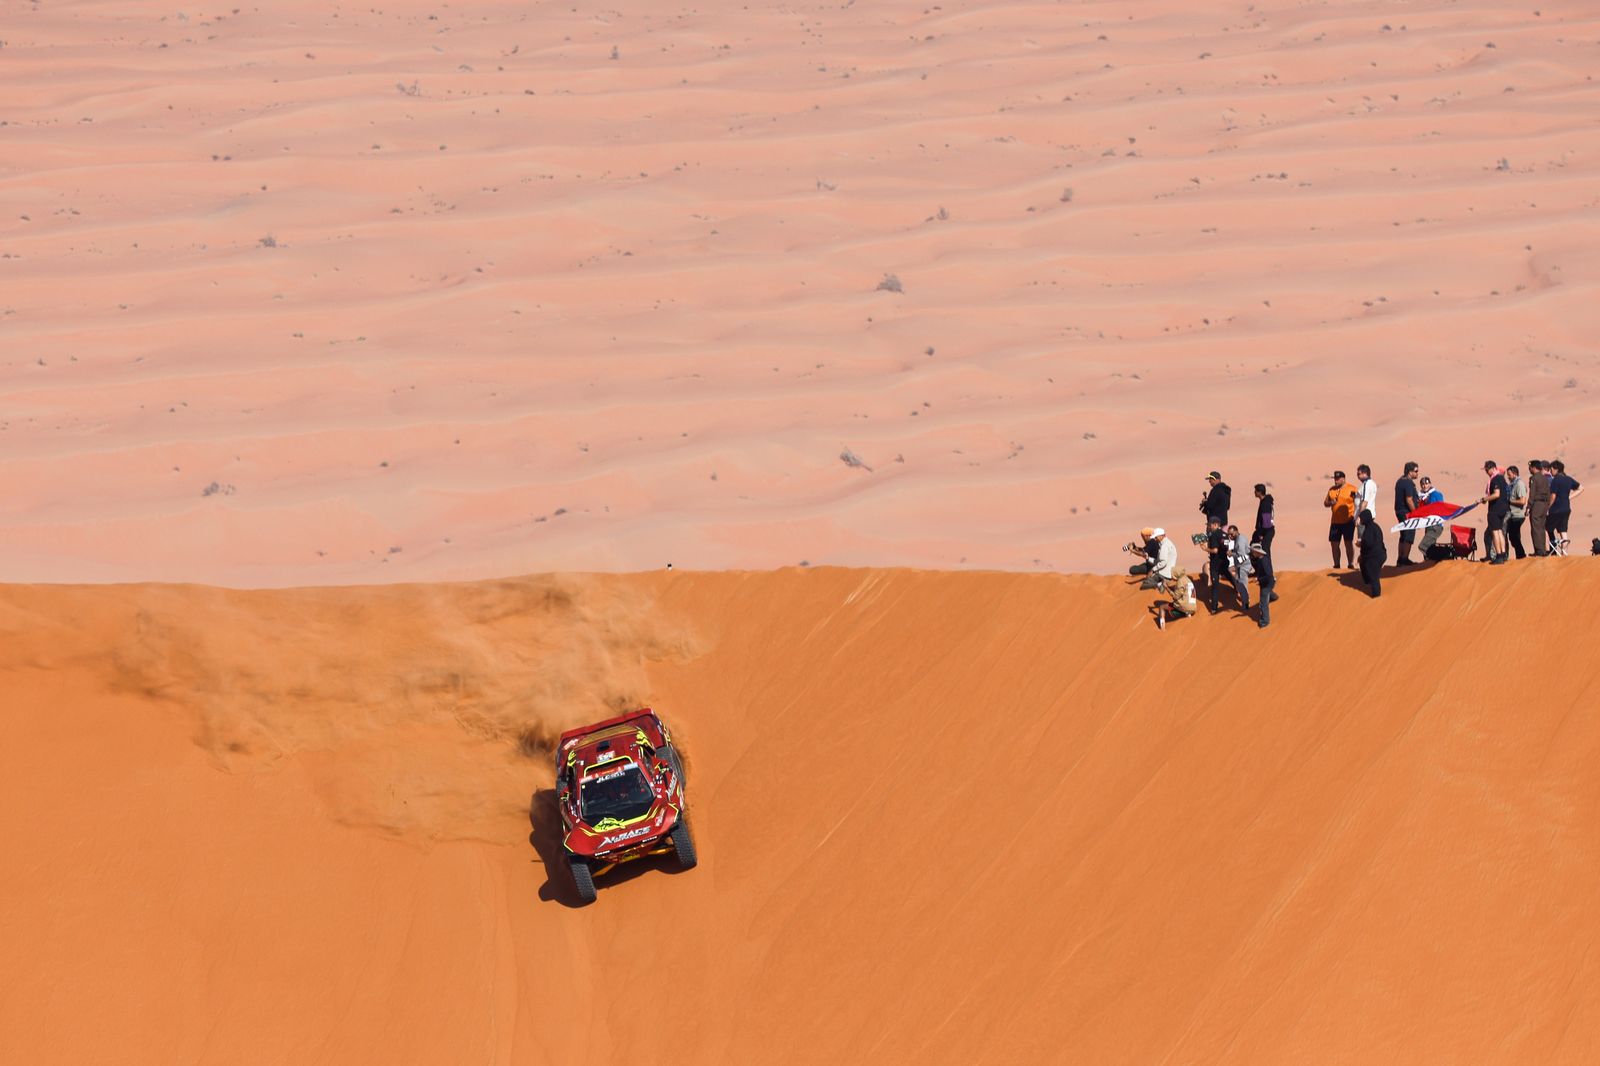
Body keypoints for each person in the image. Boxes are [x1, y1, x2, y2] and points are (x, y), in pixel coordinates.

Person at [1547, 459, 1584, 555]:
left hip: (1556, 509)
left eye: (1551, 469)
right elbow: (1581, 488)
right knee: (1563, 531)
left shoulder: (1556, 480)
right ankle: (1564, 553)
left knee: (1547, 528)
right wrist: (1569, 497)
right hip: (1566, 509)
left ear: (1556, 469)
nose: (1550, 471)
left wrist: (1547, 507)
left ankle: (1550, 550)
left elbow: (1553, 496)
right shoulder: (1568, 479)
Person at [1324, 470, 1359, 569]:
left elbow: (1358, 502)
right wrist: (1331, 503)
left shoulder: (1352, 489)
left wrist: (1357, 516)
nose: (1336, 481)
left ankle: (1350, 564)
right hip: (1335, 521)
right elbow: (1325, 503)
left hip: (1348, 520)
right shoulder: (1331, 490)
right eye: (1335, 479)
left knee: (1348, 542)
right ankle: (1336, 564)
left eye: (1338, 479)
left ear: (1343, 479)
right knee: (1334, 544)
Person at [1480, 460, 1509, 564]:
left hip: (1495, 509)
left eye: (1487, 469)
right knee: (1500, 531)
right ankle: (1503, 554)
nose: (1486, 472)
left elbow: (1496, 494)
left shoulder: (1495, 479)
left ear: (1492, 468)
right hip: (1502, 509)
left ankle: (1499, 555)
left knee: (1495, 532)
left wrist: (1485, 499)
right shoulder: (1501, 478)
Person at [1393, 461, 1421, 565]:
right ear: (1410, 472)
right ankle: (1404, 559)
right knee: (1409, 535)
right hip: (1406, 512)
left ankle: (1400, 559)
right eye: (1416, 471)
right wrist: (1415, 513)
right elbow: (1409, 499)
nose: (1417, 473)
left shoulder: (1400, 481)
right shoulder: (1408, 483)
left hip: (1399, 511)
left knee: (1403, 535)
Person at [1415, 475, 1446, 557]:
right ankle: (1431, 562)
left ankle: (1441, 557)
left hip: (1436, 525)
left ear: (1430, 484)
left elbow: (1441, 507)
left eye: (1426, 483)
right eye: (1422, 484)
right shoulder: (1421, 497)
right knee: (1430, 546)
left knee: (1423, 546)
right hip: (1428, 525)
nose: (1424, 486)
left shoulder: (1436, 494)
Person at [1358, 508, 1386, 597]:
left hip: (1374, 557)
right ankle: (1368, 581)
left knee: (1374, 578)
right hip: (1378, 555)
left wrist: (1360, 543)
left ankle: (1376, 597)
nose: (1361, 520)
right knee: (1363, 564)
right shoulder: (1374, 526)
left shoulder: (1370, 529)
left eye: (1361, 518)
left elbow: (1368, 543)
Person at [1528, 460, 1553, 556]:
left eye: (1530, 467)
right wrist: (1547, 506)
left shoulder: (1534, 478)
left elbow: (1532, 493)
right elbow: (1548, 492)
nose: (1529, 469)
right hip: (1544, 505)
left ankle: (1539, 550)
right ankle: (1543, 549)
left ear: (1534, 468)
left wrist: (1529, 506)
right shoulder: (1544, 478)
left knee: (1536, 527)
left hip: (1537, 504)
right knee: (1542, 527)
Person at [1226, 523, 1252, 613]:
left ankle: (1245, 604)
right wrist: (1233, 551)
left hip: (1243, 566)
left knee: (1242, 585)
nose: (1230, 536)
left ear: (1236, 531)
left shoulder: (1240, 540)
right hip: (1242, 565)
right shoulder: (1240, 538)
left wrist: (1231, 554)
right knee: (1238, 580)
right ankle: (1245, 599)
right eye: (1228, 534)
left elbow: (1240, 554)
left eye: (1231, 534)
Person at [1205, 516, 1228, 613]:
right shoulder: (1225, 534)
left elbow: (1214, 550)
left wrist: (1205, 549)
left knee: (1215, 585)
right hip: (1224, 561)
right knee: (1228, 575)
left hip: (1215, 564)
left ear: (1215, 525)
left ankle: (1214, 607)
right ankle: (1237, 589)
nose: (1209, 527)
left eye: (1210, 525)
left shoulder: (1214, 535)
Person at [1250, 537, 1275, 628]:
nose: (1252, 553)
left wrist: (1259, 580)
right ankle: (1273, 597)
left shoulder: (1263, 561)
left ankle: (1265, 621)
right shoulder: (1261, 559)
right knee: (1268, 593)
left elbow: (1268, 575)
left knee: (1263, 603)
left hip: (1266, 584)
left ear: (1257, 552)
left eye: (1253, 551)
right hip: (1269, 583)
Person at [1505, 464, 1528, 560]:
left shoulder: (1519, 484)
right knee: (1513, 537)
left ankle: (1521, 556)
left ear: (1514, 474)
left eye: (1509, 474)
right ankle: (1520, 555)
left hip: (1518, 515)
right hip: (1513, 514)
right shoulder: (1513, 484)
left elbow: (1523, 501)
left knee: (1514, 537)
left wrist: (1510, 501)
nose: (1508, 476)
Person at [1252, 483, 1275, 566]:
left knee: (1264, 552)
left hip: (1266, 531)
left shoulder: (1265, 503)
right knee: (1255, 549)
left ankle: (1268, 573)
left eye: (1255, 491)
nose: (1254, 493)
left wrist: (1262, 533)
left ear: (1259, 492)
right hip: (1265, 531)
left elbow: (1266, 521)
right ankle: (1259, 570)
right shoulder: (1264, 501)